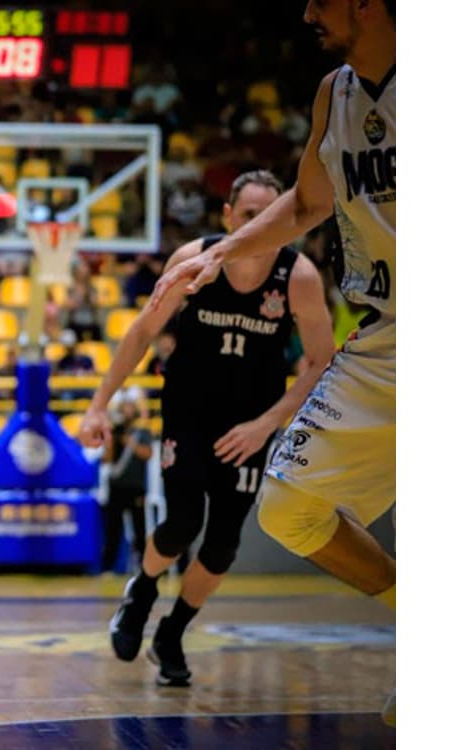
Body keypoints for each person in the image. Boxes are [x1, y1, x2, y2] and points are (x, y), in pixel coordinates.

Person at [149, 0, 395, 723]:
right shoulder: (335, 93)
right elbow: (309, 201)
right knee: (290, 507)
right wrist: (221, 253)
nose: (309, 12)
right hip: (390, 333)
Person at [80, 170, 335, 687]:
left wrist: (267, 425)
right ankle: (143, 591)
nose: (262, 225)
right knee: (181, 523)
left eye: (273, 215)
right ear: (228, 217)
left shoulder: (299, 277)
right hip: (189, 411)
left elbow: (319, 362)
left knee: (221, 546)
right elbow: (143, 332)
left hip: (250, 423)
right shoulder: (193, 262)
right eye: (249, 216)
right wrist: (99, 404)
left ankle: (171, 633)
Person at [101, 399, 152, 574]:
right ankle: (107, 567)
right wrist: (109, 440)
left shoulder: (142, 432)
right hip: (116, 487)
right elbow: (106, 460)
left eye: (130, 408)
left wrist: (129, 442)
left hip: (136, 487)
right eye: (123, 409)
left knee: (140, 529)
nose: (126, 412)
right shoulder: (115, 433)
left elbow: (148, 454)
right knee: (112, 528)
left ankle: (143, 567)